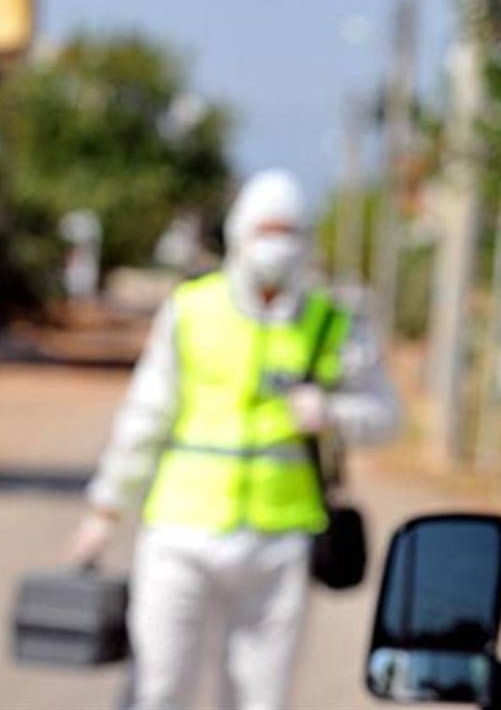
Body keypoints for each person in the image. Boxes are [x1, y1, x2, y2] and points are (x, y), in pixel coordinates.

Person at [67, 169, 401, 710]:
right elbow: (145, 415)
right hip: (181, 532)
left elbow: (386, 417)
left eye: (289, 232)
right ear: (239, 233)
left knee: (258, 698)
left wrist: (334, 414)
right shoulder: (191, 309)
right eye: (267, 230)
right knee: (157, 686)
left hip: (280, 541)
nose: (277, 245)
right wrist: (106, 509)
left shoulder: (333, 322)